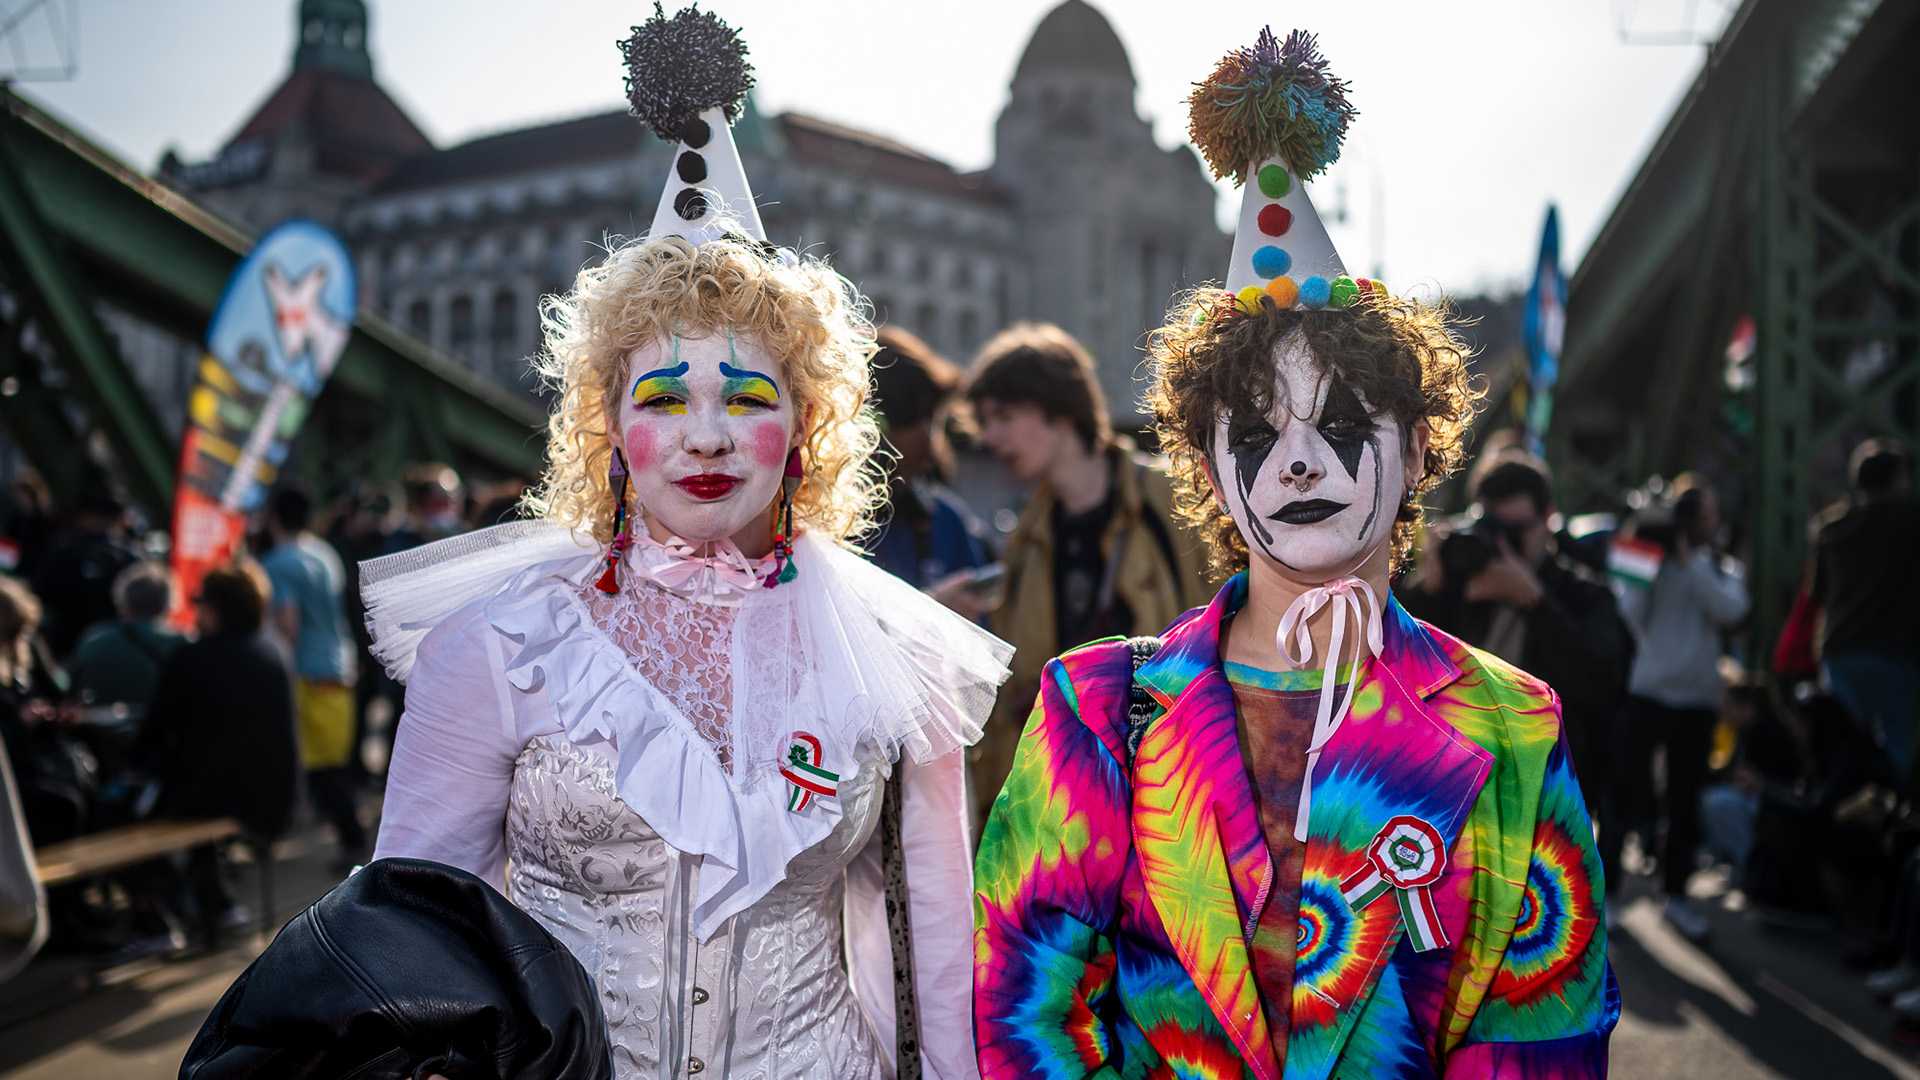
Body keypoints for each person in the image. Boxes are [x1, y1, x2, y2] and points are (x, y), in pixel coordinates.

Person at [362, 12, 1010, 1076]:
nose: (706, 435)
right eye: (665, 396)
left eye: (746, 396)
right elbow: (413, 937)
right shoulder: (500, 644)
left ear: (805, 425)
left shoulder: (894, 658)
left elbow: (938, 948)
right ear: (609, 425)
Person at [975, 28, 1613, 1077]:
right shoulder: (1096, 711)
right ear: (1212, 468)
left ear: (1415, 450)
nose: (1301, 465)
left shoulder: (1513, 729)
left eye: (1345, 426)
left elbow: (1543, 1032)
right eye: (1259, 433)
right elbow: (1023, 1005)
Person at [966, 320, 1212, 824]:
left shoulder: (1169, 499)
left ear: (1058, 410)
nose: (990, 437)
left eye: (1005, 416)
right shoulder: (1028, 537)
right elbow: (1019, 692)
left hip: (1173, 795)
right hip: (1068, 805)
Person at [1617, 478, 1749, 941]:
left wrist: (1690, 561)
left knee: (1684, 802)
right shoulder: (1652, 559)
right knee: (1628, 792)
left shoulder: (1721, 568)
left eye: (1704, 512)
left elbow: (1732, 610)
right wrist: (1652, 557)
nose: (1698, 521)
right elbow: (1627, 608)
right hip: (1649, 690)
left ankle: (1677, 896)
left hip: (1696, 699)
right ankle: (1610, 895)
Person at [136, 561, 300, 931]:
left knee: (134, 809)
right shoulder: (274, 654)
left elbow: (152, 733)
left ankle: (150, 919)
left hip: (211, 799)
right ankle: (217, 902)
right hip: (275, 801)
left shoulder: (193, 658)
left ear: (213, 608)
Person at [259, 484, 365, 869]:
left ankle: (352, 841)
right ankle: (348, 837)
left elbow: (288, 624)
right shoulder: (324, 553)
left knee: (320, 768)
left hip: (305, 673)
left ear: (273, 517)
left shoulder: (277, 564)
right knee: (331, 764)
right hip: (339, 665)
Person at [1812, 438, 1920, 784]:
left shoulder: (1831, 529)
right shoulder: (1910, 519)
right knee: (1896, 739)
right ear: (1897, 478)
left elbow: (1818, 593)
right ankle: (1890, 822)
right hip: (1893, 649)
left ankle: (1844, 814)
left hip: (1839, 647)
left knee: (1843, 742)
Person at [864, 326, 991, 596]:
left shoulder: (945, 519)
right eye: (926, 419)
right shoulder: (817, 528)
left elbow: (980, 629)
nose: (933, 444)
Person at [67, 560, 187, 719]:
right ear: (168, 603)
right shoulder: (182, 644)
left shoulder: (92, 639)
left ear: (122, 599)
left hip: (96, 735)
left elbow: (72, 692)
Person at [30, 492, 139, 660]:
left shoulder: (65, 550)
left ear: (89, 516)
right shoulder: (130, 558)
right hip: (107, 650)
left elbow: (39, 593)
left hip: (63, 645)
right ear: (122, 520)